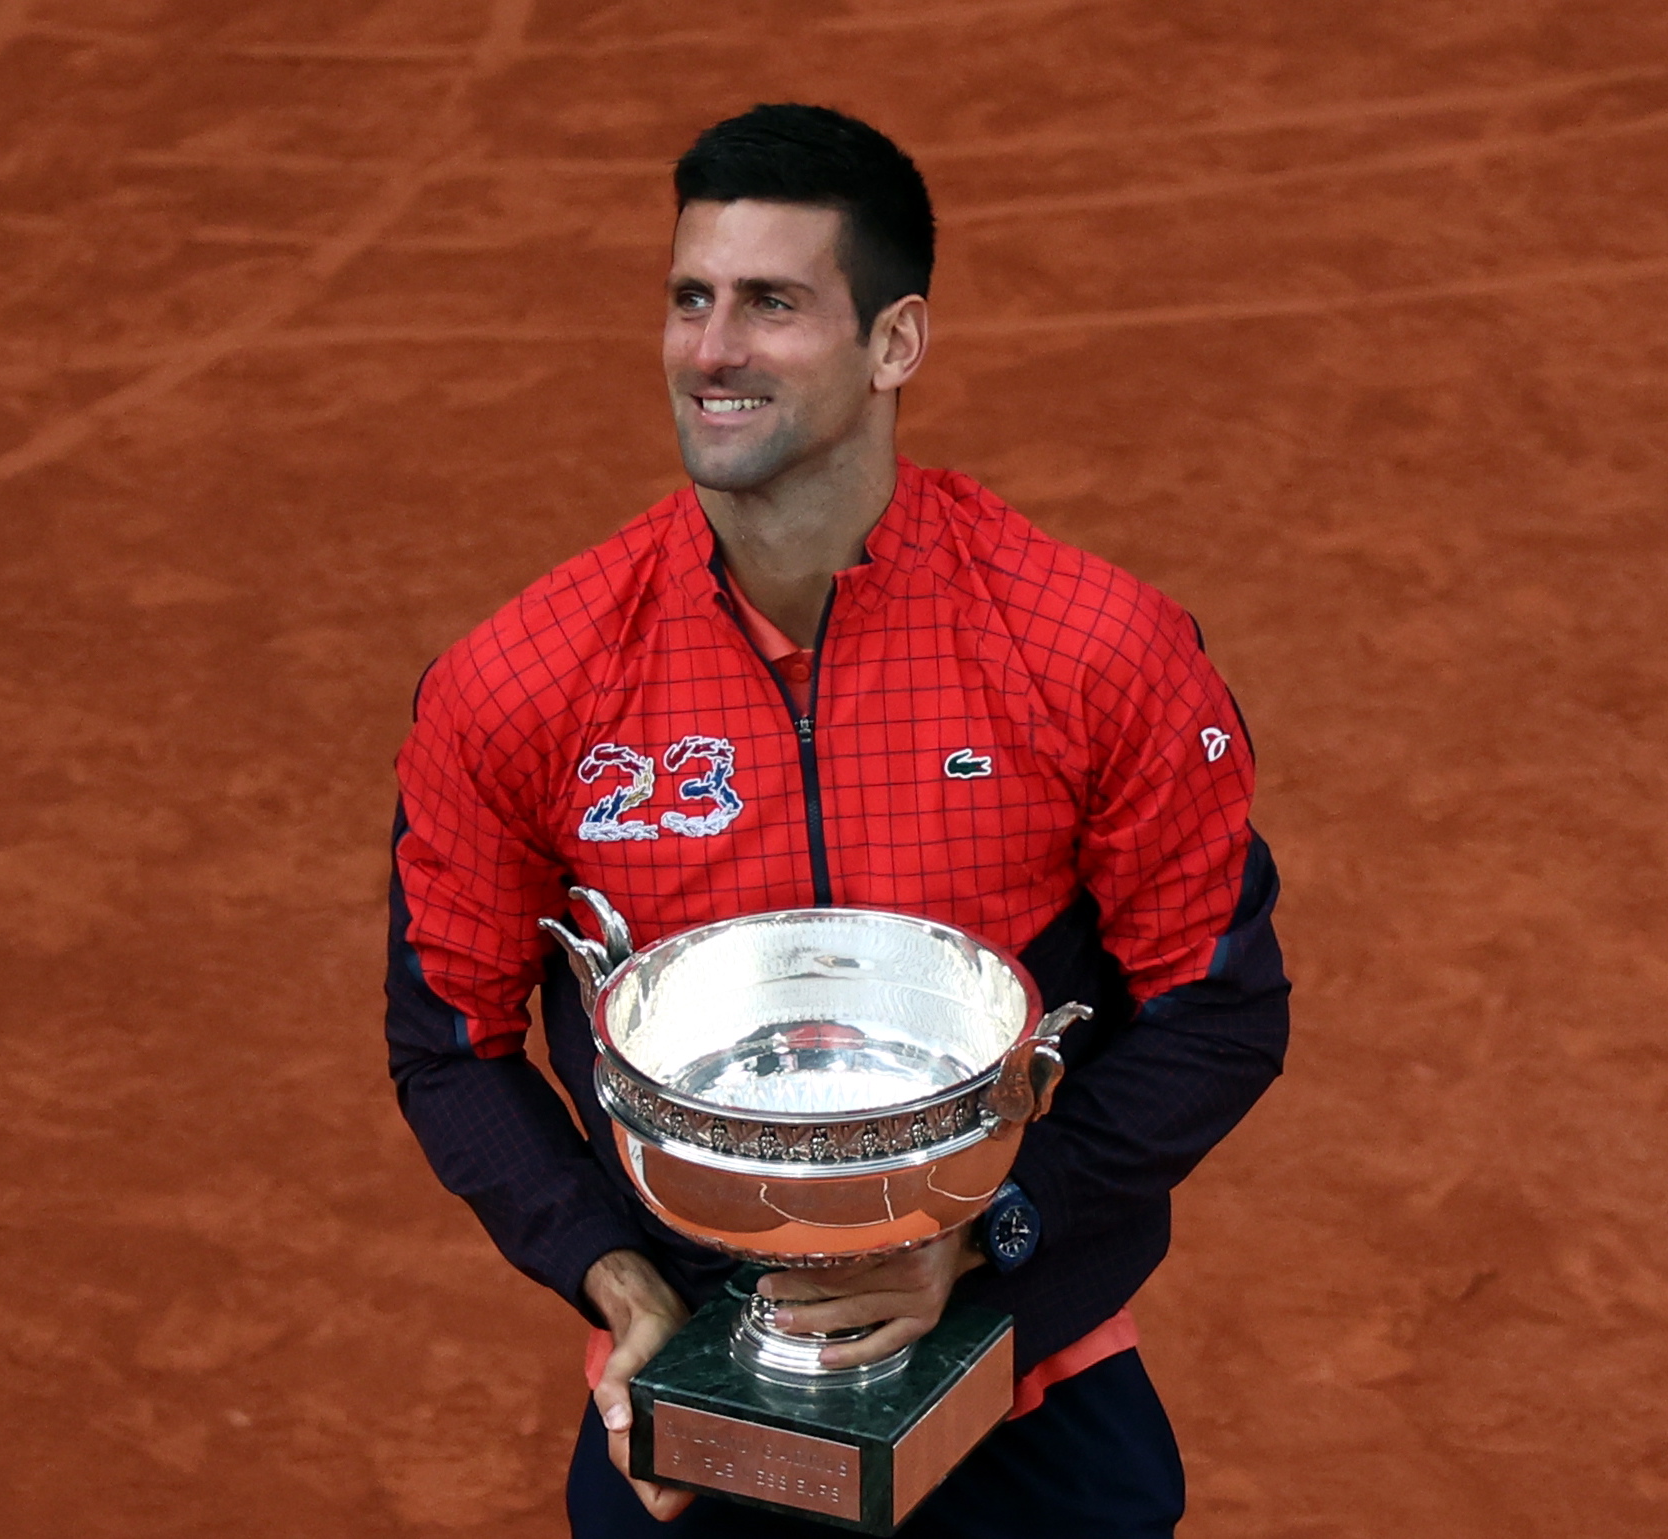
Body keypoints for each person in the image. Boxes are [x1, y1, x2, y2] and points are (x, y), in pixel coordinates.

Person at [386, 103, 1289, 1538]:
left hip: (1024, 1363)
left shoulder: (1086, 649)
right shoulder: (523, 682)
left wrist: (991, 1237)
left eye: (771, 304)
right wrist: (616, 1284)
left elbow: (1214, 1012)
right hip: (691, 1377)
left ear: (893, 343)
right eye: (691, 298)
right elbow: (447, 1041)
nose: (711, 349)